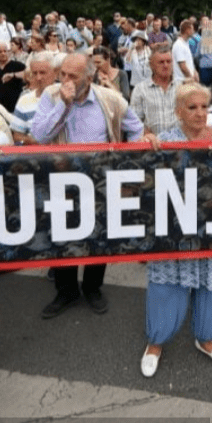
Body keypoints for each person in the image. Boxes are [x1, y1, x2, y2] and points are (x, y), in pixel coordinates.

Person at [31, 53, 148, 319]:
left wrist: (124, 160)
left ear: (90, 77)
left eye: (73, 76)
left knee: (99, 236)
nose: (66, 80)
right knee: (62, 236)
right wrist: (64, 104)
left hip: (100, 182)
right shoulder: (51, 96)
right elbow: (39, 136)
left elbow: (137, 129)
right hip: (62, 180)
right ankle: (66, 290)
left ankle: (93, 288)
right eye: (63, 74)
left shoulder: (111, 100)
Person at [140, 81, 212, 378]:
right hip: (177, 231)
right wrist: (145, 144)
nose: (199, 114)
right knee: (167, 285)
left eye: (203, 107)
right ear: (178, 112)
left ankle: (206, 338)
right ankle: (155, 342)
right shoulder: (166, 139)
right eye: (192, 107)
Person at [130, 46, 180, 136]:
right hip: (152, 145)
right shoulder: (140, 90)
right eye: (161, 62)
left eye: (169, 61)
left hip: (181, 144)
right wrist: (145, 133)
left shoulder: (182, 87)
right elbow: (134, 121)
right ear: (151, 65)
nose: (165, 65)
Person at [10, 52, 57, 145]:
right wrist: (32, 141)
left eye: (43, 73)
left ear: (55, 73)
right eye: (35, 73)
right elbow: (17, 136)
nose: (38, 78)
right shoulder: (24, 100)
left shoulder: (67, 98)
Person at [0, 39, 26, 112]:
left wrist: (14, 75)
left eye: (5, 51)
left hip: (16, 108)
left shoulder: (18, 66)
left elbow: (28, 74)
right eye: (0, 52)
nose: (3, 53)